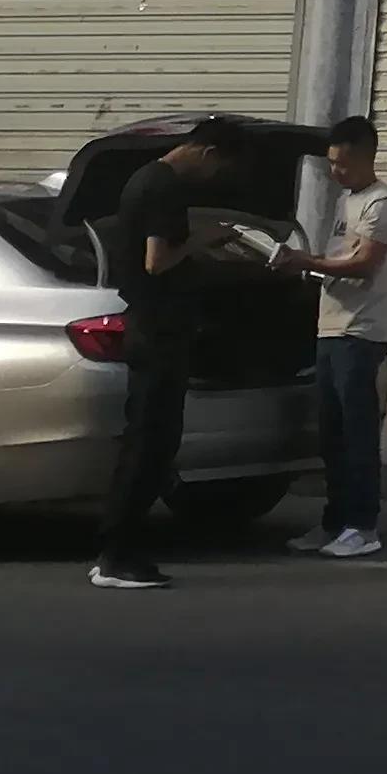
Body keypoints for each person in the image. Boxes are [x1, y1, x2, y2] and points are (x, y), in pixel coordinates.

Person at [92, 127, 230, 593]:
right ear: (206, 152)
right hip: (158, 331)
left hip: (146, 326)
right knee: (151, 443)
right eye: (217, 167)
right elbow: (157, 260)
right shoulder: (165, 186)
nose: (213, 177)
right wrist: (203, 239)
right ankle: (119, 556)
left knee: (145, 440)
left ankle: (117, 551)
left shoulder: (143, 179)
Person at [287, 115, 387, 560]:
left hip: (362, 333)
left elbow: (364, 264)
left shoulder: (381, 204)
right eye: (331, 163)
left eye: (342, 163)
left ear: (365, 156)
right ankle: (334, 521)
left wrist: (305, 262)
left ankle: (362, 525)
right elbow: (338, 257)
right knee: (331, 436)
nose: (335, 172)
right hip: (331, 328)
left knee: (358, 434)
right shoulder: (346, 202)